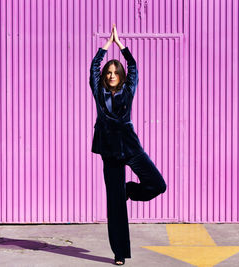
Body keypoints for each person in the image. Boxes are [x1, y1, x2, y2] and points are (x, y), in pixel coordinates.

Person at [89, 24, 167, 265]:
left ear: (120, 76)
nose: (111, 75)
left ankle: (130, 191)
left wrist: (121, 46)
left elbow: (133, 67)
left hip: (130, 146)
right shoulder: (98, 92)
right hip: (109, 150)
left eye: (115, 72)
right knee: (115, 205)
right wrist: (104, 47)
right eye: (108, 72)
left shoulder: (128, 90)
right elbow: (93, 69)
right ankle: (119, 253)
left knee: (157, 184)